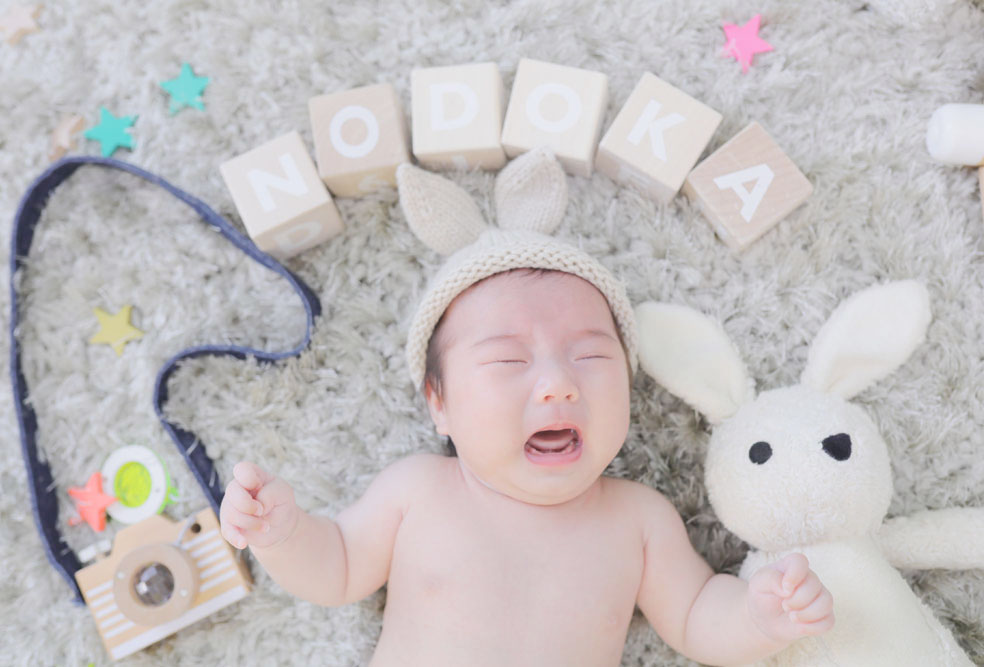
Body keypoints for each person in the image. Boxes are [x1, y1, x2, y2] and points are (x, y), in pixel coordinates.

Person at [219, 148, 834, 666]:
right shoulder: (416, 492)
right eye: (509, 362)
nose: (557, 385)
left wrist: (759, 617)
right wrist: (285, 534)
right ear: (440, 404)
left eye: (590, 356)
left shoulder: (639, 521)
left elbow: (698, 616)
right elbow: (337, 567)